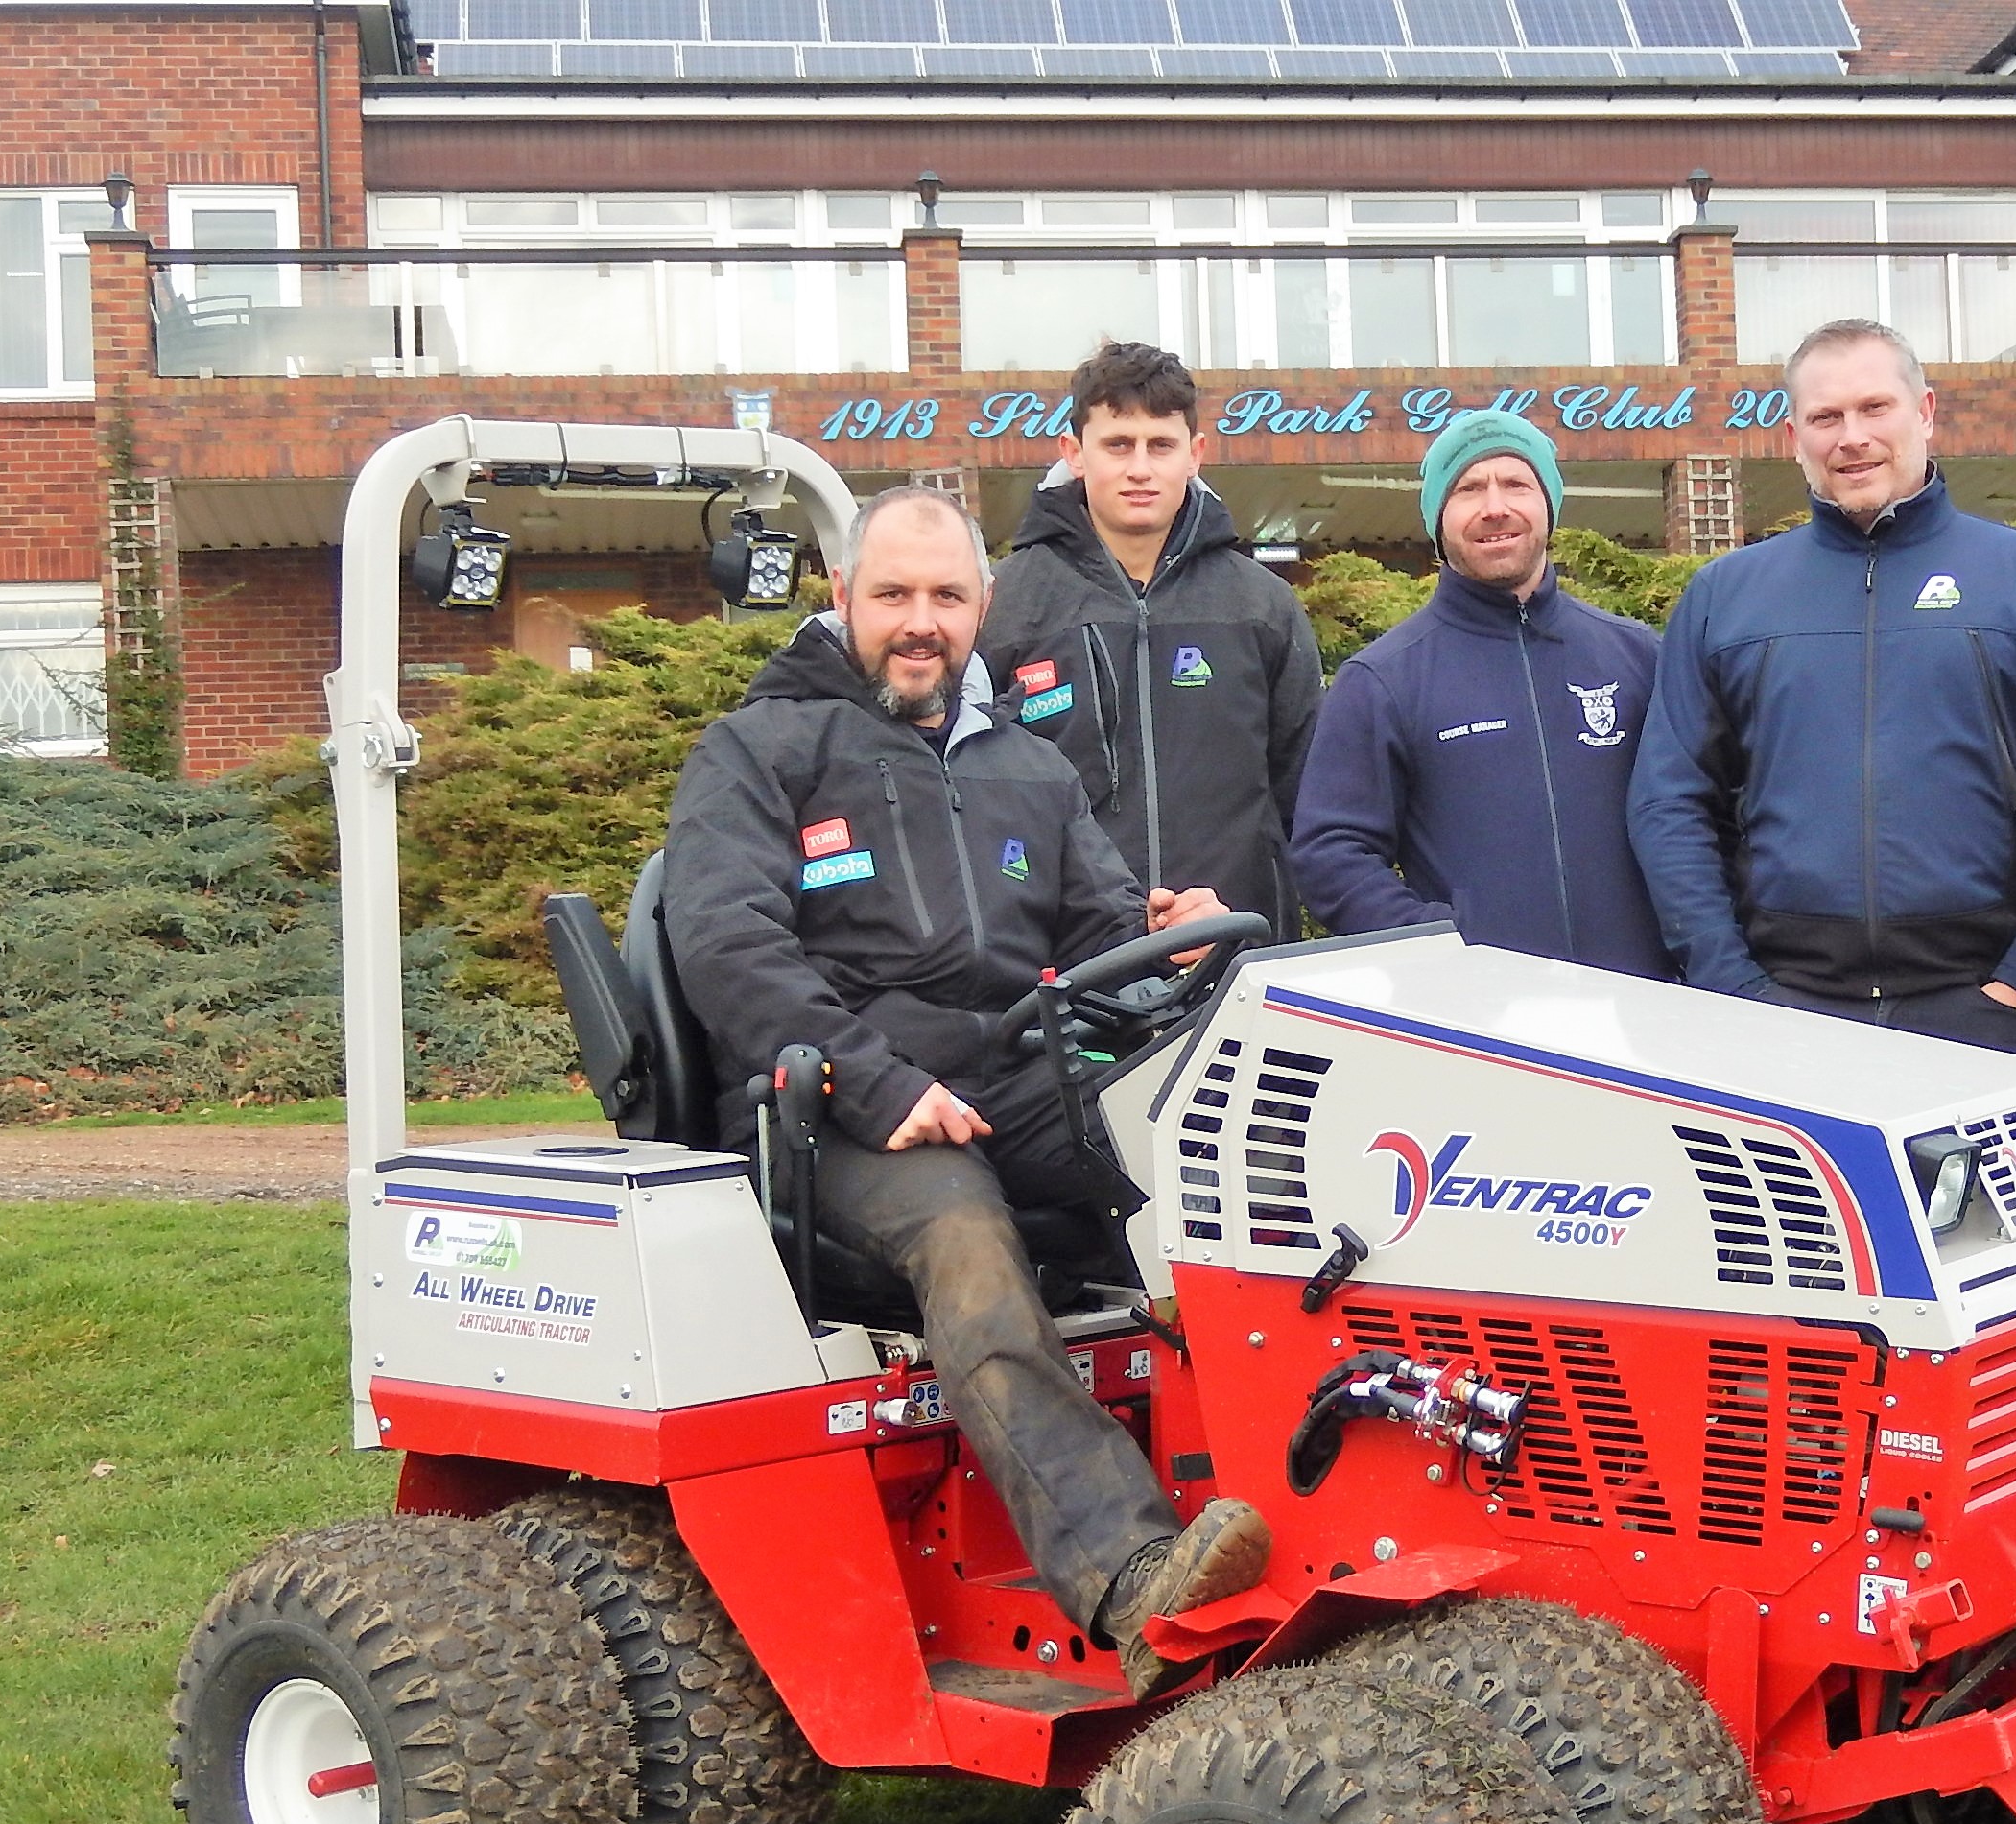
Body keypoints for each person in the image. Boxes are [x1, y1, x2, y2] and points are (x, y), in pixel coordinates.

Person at [662, 485, 1269, 1698]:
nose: (920, 621)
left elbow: (1104, 934)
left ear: (984, 610)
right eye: (893, 595)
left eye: (946, 596)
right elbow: (728, 945)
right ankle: (1131, 1575)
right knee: (965, 1235)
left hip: (1017, 1073)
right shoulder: (761, 751)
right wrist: (876, 1084)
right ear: (842, 600)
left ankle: (1294, 1506)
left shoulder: (1028, 768)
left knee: (1215, 1174)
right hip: (829, 1109)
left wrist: (1176, 938)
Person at [1625, 317, 2016, 1054]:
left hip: (1977, 1014)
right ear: (1795, 437)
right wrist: (1730, 984)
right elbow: (1669, 801)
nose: (1851, 436)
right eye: (1826, 417)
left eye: (1874, 408)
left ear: (1924, 412)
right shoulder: (1727, 598)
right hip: (1780, 1017)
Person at [1288, 407, 1670, 976]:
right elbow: (1330, 853)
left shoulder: (1637, 655)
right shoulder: (1383, 679)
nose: (1496, 507)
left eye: (1516, 483)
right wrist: (1440, 946)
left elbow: (1699, 821)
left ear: (1548, 505)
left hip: (1643, 1010)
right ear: (1439, 518)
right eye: (1469, 488)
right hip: (1479, 1028)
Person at [979, 342, 1322, 939]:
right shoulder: (1004, 605)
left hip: (1234, 949)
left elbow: (1308, 799)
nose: (1140, 468)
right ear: (1074, 453)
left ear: (1195, 454)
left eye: (1160, 445)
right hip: (1062, 962)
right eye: (1118, 444)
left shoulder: (1263, 606)